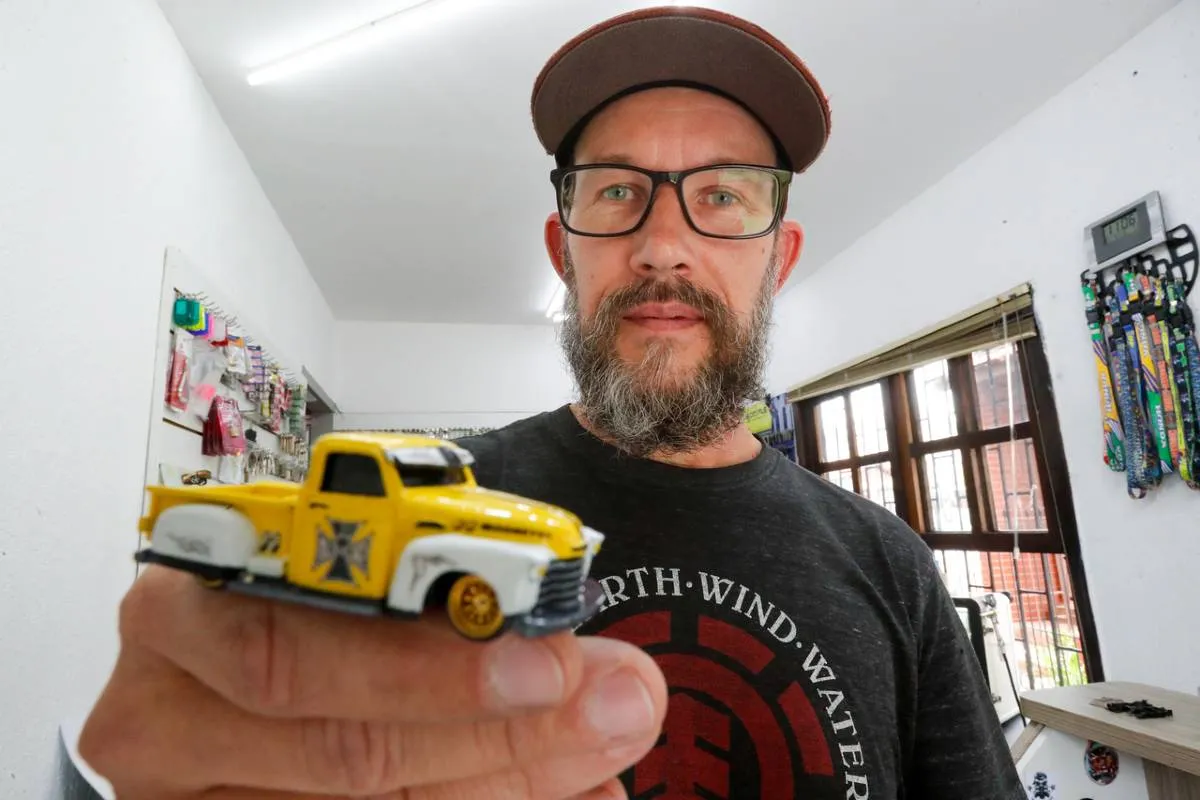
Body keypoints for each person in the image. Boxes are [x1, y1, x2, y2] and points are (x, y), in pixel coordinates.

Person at [78, 6, 1026, 799]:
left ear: (778, 259)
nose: (662, 245)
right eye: (615, 191)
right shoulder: (436, 502)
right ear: (561, 251)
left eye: (723, 196)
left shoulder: (892, 566)